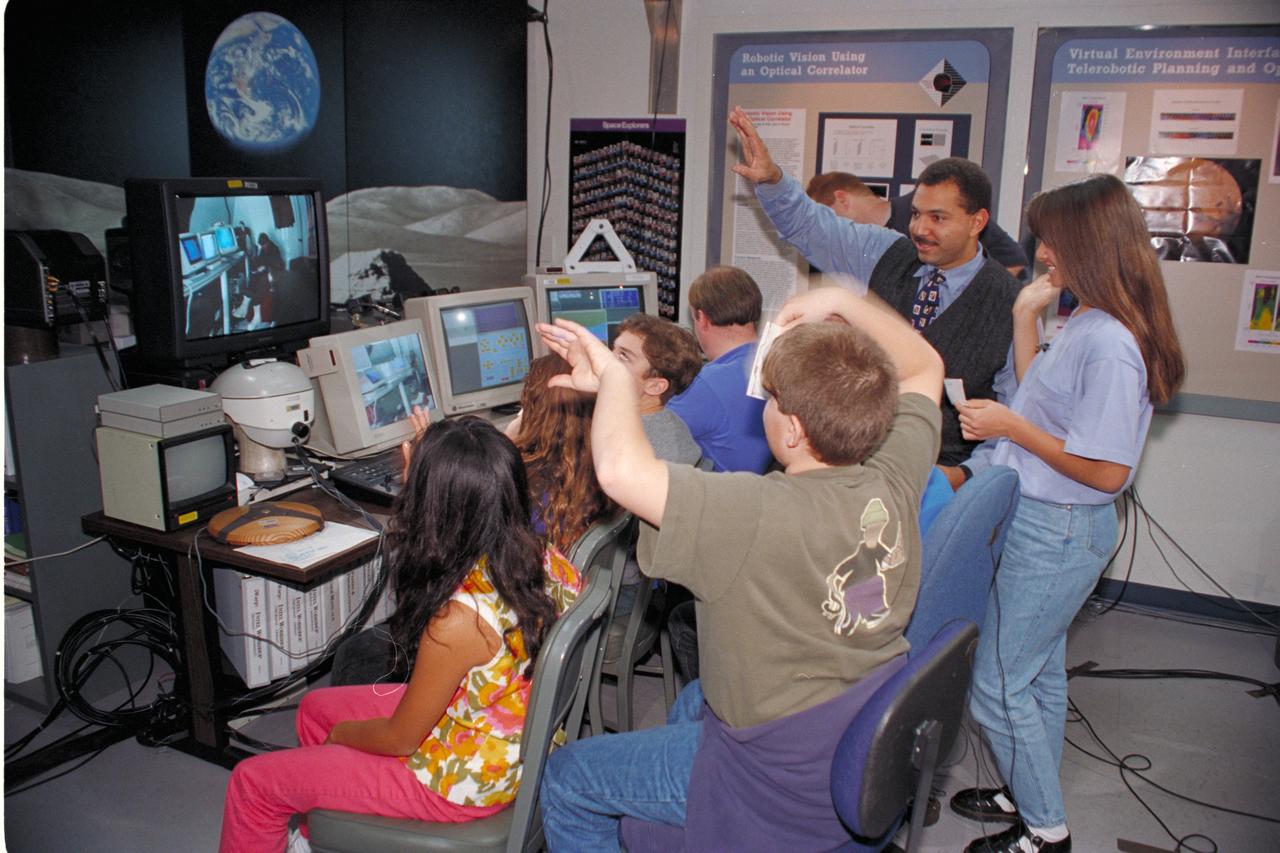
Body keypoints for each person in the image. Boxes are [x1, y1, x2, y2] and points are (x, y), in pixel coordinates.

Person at [536, 283, 944, 852]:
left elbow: (621, 472)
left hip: (769, 777)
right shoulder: (894, 479)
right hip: (851, 724)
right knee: (689, 701)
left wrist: (613, 381)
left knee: (568, 778)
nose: (765, 405)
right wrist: (845, 302)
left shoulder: (751, 513)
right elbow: (926, 367)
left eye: (773, 398)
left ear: (794, 429)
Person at [949, 173, 1185, 853]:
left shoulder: (1111, 342)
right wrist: (1026, 318)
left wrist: (1008, 429)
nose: (1041, 248)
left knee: (996, 682)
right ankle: (1028, 790)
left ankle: (1046, 829)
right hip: (1043, 520)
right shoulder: (1083, 319)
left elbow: (1107, 470)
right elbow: (1037, 401)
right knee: (1037, 669)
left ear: (1086, 241)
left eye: (1051, 237)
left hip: (1061, 528)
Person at [218, 417, 584, 853]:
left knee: (253, 783)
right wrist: (436, 462)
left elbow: (401, 739)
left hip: (461, 783)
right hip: (508, 731)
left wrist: (343, 739)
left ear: (434, 505)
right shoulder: (545, 557)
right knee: (315, 708)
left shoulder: (458, 621)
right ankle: (332, 838)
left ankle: (330, 817)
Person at [731, 106, 1020, 485]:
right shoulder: (886, 251)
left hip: (936, 481)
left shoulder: (1010, 304)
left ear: (977, 222)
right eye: (916, 214)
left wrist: (960, 476)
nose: (919, 228)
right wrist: (773, 181)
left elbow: (1013, 419)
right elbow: (811, 226)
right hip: (848, 466)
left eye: (938, 218)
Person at [330, 355, 614, 686]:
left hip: (491, 628)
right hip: (537, 615)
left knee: (354, 652)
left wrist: (425, 480)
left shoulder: (526, 485)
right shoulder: (601, 473)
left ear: (532, 409)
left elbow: (441, 556)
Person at [805, 170, 1028, 277]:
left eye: (830, 218)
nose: (921, 228)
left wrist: (966, 306)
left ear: (842, 199)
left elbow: (1014, 261)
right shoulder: (866, 246)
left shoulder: (930, 209)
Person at [666, 265, 773, 474]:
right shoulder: (779, 360)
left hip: (720, 500)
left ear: (703, 319)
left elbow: (647, 434)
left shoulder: (707, 385)